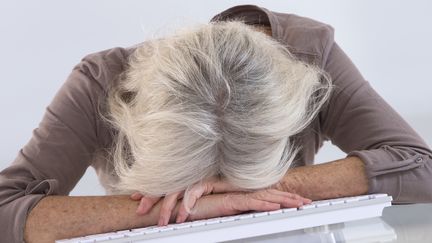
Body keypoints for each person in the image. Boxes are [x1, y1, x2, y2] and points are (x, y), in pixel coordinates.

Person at [1, 4, 431, 243]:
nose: (223, 195)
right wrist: (178, 214)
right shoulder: (99, 83)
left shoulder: (308, 56)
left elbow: (421, 168)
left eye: (232, 183)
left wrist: (275, 189)